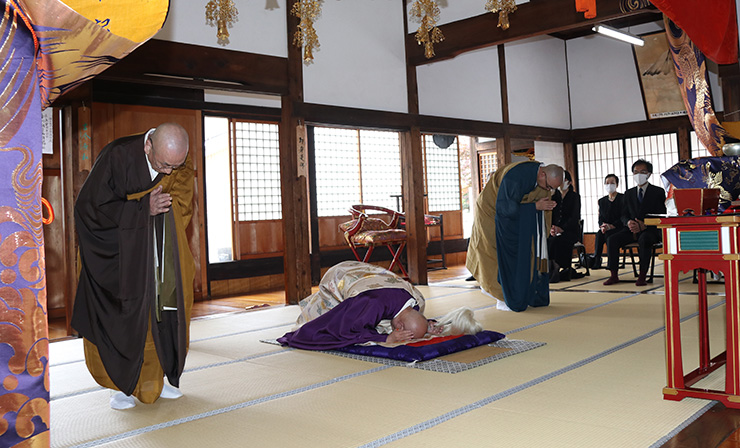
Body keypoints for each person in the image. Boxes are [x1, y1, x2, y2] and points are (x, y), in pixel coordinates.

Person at [72, 123, 195, 410]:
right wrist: (141, 210)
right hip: (123, 258)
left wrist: (162, 217)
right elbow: (90, 209)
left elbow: (182, 202)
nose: (168, 171)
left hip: (161, 250)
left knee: (166, 311)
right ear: (148, 145)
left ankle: (159, 377)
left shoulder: (177, 163)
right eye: (164, 164)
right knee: (126, 317)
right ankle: (122, 386)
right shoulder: (116, 156)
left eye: (175, 165)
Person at [278, 261, 482, 350]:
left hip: (368, 275)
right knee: (315, 324)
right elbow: (350, 328)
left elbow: (411, 319)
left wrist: (429, 325)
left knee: (379, 320)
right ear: (399, 326)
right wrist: (386, 338)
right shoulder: (370, 304)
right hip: (340, 277)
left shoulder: (417, 301)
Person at [466, 161, 563, 312]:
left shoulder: (540, 180)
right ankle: (501, 296)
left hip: (520, 219)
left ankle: (526, 292)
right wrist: (534, 207)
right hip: (492, 214)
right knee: (495, 254)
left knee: (529, 253)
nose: (548, 190)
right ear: (543, 174)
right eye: (549, 186)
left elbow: (538, 205)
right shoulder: (516, 176)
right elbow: (505, 209)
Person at [603, 159, 666, 286]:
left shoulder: (658, 192)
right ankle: (614, 275)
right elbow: (623, 215)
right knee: (612, 239)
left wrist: (645, 224)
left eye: (642, 172)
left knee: (645, 240)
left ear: (649, 174)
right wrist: (629, 223)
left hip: (650, 230)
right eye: (636, 172)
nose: (639, 175)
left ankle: (642, 275)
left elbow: (662, 214)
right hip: (630, 230)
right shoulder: (628, 193)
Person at [548, 171, 582, 283]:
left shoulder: (574, 197)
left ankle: (559, 266)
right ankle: (552, 267)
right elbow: (552, 214)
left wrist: (562, 228)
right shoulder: (556, 196)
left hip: (570, 230)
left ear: (569, 182)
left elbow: (574, 217)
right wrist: (553, 228)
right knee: (550, 240)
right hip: (556, 230)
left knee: (561, 240)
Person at [588, 174, 625, 270]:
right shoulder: (602, 201)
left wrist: (612, 226)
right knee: (600, 234)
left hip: (619, 227)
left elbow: (623, 216)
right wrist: (602, 226)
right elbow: (600, 218)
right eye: (607, 183)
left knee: (609, 236)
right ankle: (597, 259)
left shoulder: (623, 198)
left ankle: (611, 263)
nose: (609, 185)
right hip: (606, 228)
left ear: (617, 185)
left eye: (612, 183)